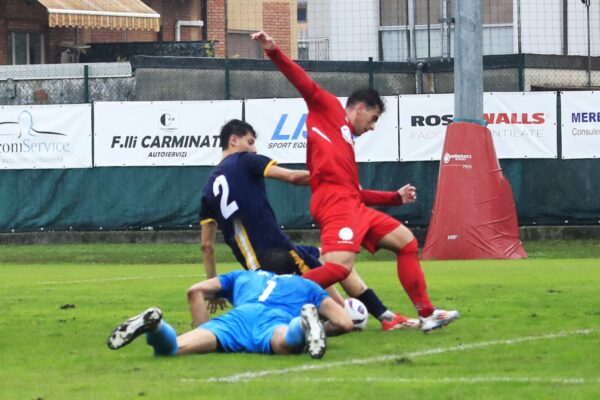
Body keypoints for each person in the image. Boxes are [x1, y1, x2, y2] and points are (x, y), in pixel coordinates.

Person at [250, 31, 459, 332]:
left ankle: (427, 313)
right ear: (359, 108)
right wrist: (273, 51)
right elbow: (302, 82)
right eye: (373, 119)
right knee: (338, 267)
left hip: (351, 205)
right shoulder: (328, 109)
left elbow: (356, 191)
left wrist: (394, 198)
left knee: (406, 242)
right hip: (334, 206)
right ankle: (273, 298)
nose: (372, 127)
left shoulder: (346, 143)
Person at [196, 119, 418, 330]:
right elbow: (292, 176)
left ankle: (374, 314)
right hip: (278, 253)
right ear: (233, 140)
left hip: (254, 269)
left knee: (328, 255)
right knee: (338, 287)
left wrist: (213, 287)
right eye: (250, 142)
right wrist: (332, 178)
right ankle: (366, 316)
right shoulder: (245, 160)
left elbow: (206, 246)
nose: (254, 149)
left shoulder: (207, 191)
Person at [108, 249, 353, 359]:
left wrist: (201, 330)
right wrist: (324, 327)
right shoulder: (307, 285)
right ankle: (303, 324)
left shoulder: (244, 276)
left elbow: (195, 291)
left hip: (236, 322)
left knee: (171, 349)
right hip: (273, 321)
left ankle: (156, 326)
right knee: (287, 343)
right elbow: (344, 322)